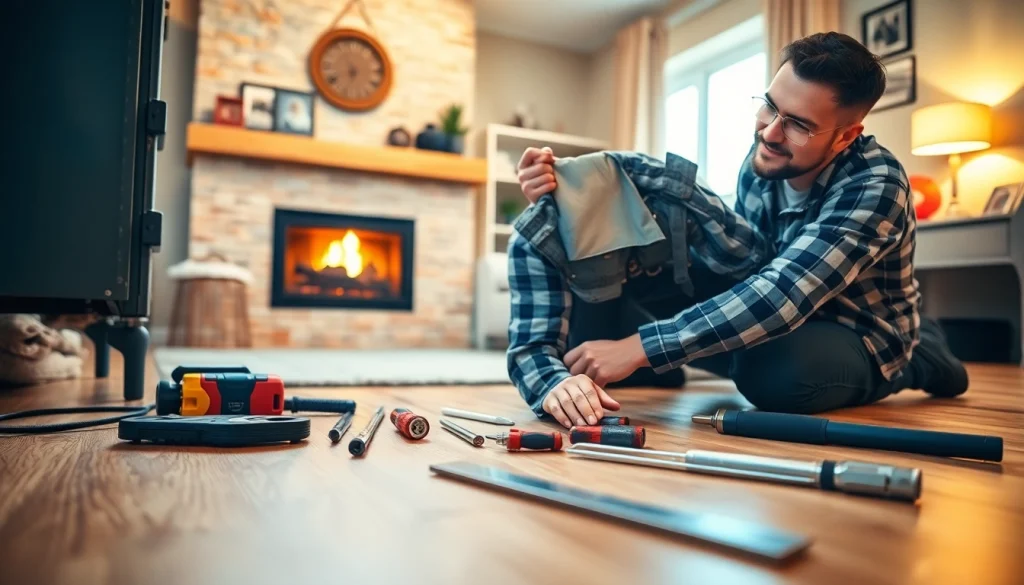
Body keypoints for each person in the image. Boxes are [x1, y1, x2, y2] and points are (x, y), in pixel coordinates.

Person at [505, 32, 968, 429]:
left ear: (846, 136)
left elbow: (781, 294)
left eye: (799, 126)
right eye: (769, 107)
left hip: (855, 329)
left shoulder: (876, 185)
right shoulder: (762, 163)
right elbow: (747, 264)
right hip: (784, 311)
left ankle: (920, 358)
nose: (769, 133)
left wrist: (639, 346)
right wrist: (566, 190)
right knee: (606, 321)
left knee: (770, 374)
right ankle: (661, 368)